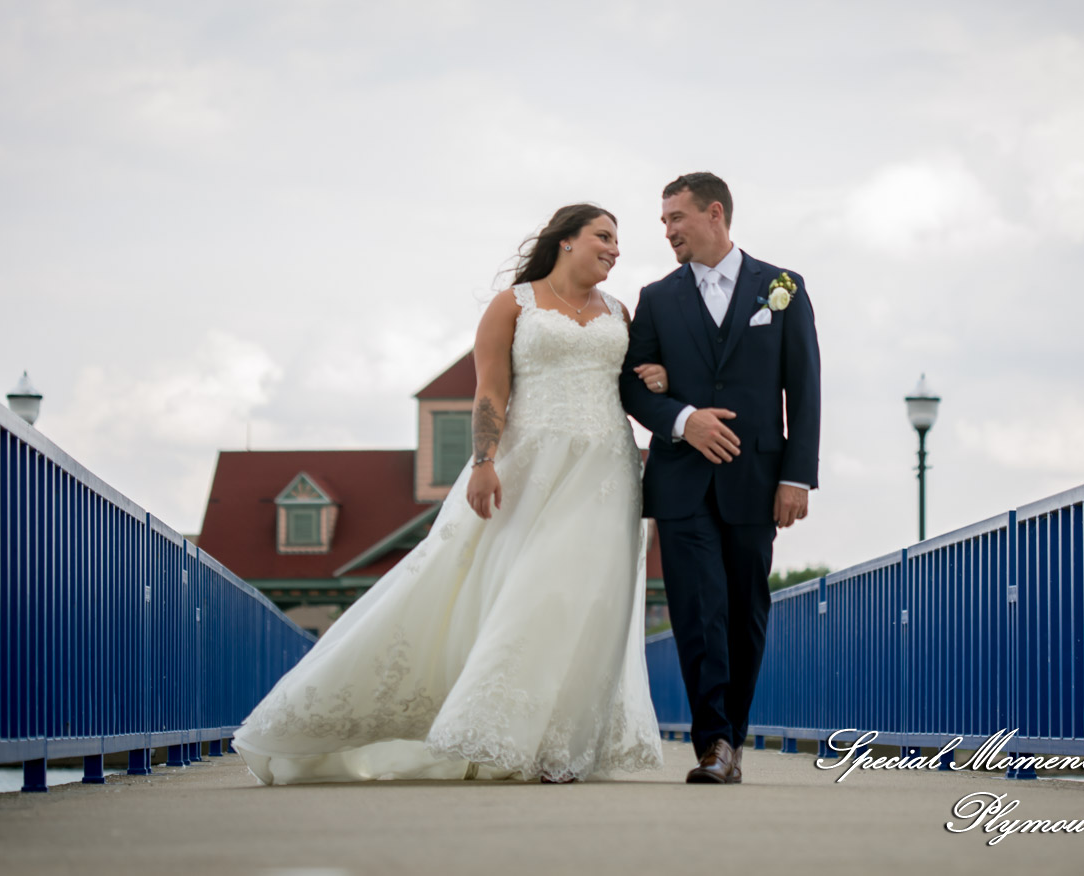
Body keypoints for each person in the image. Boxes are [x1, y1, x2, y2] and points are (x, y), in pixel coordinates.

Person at [231, 204, 664, 784]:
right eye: (603, 236)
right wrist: (484, 462)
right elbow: (489, 391)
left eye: (619, 241)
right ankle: (493, 734)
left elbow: (634, 385)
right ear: (565, 241)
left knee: (586, 601)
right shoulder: (514, 305)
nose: (615, 248)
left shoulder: (620, 313)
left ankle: (558, 744)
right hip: (528, 466)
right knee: (531, 591)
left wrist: (654, 378)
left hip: (606, 471)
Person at [620, 172, 822, 784]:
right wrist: (683, 419)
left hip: (756, 480)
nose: (667, 231)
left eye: (675, 218)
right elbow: (630, 382)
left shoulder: (782, 288)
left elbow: (804, 388)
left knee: (745, 610)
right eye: (662, 222)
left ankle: (731, 738)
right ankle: (713, 746)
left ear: (715, 214)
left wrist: (797, 479)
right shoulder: (656, 298)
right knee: (696, 609)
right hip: (681, 480)